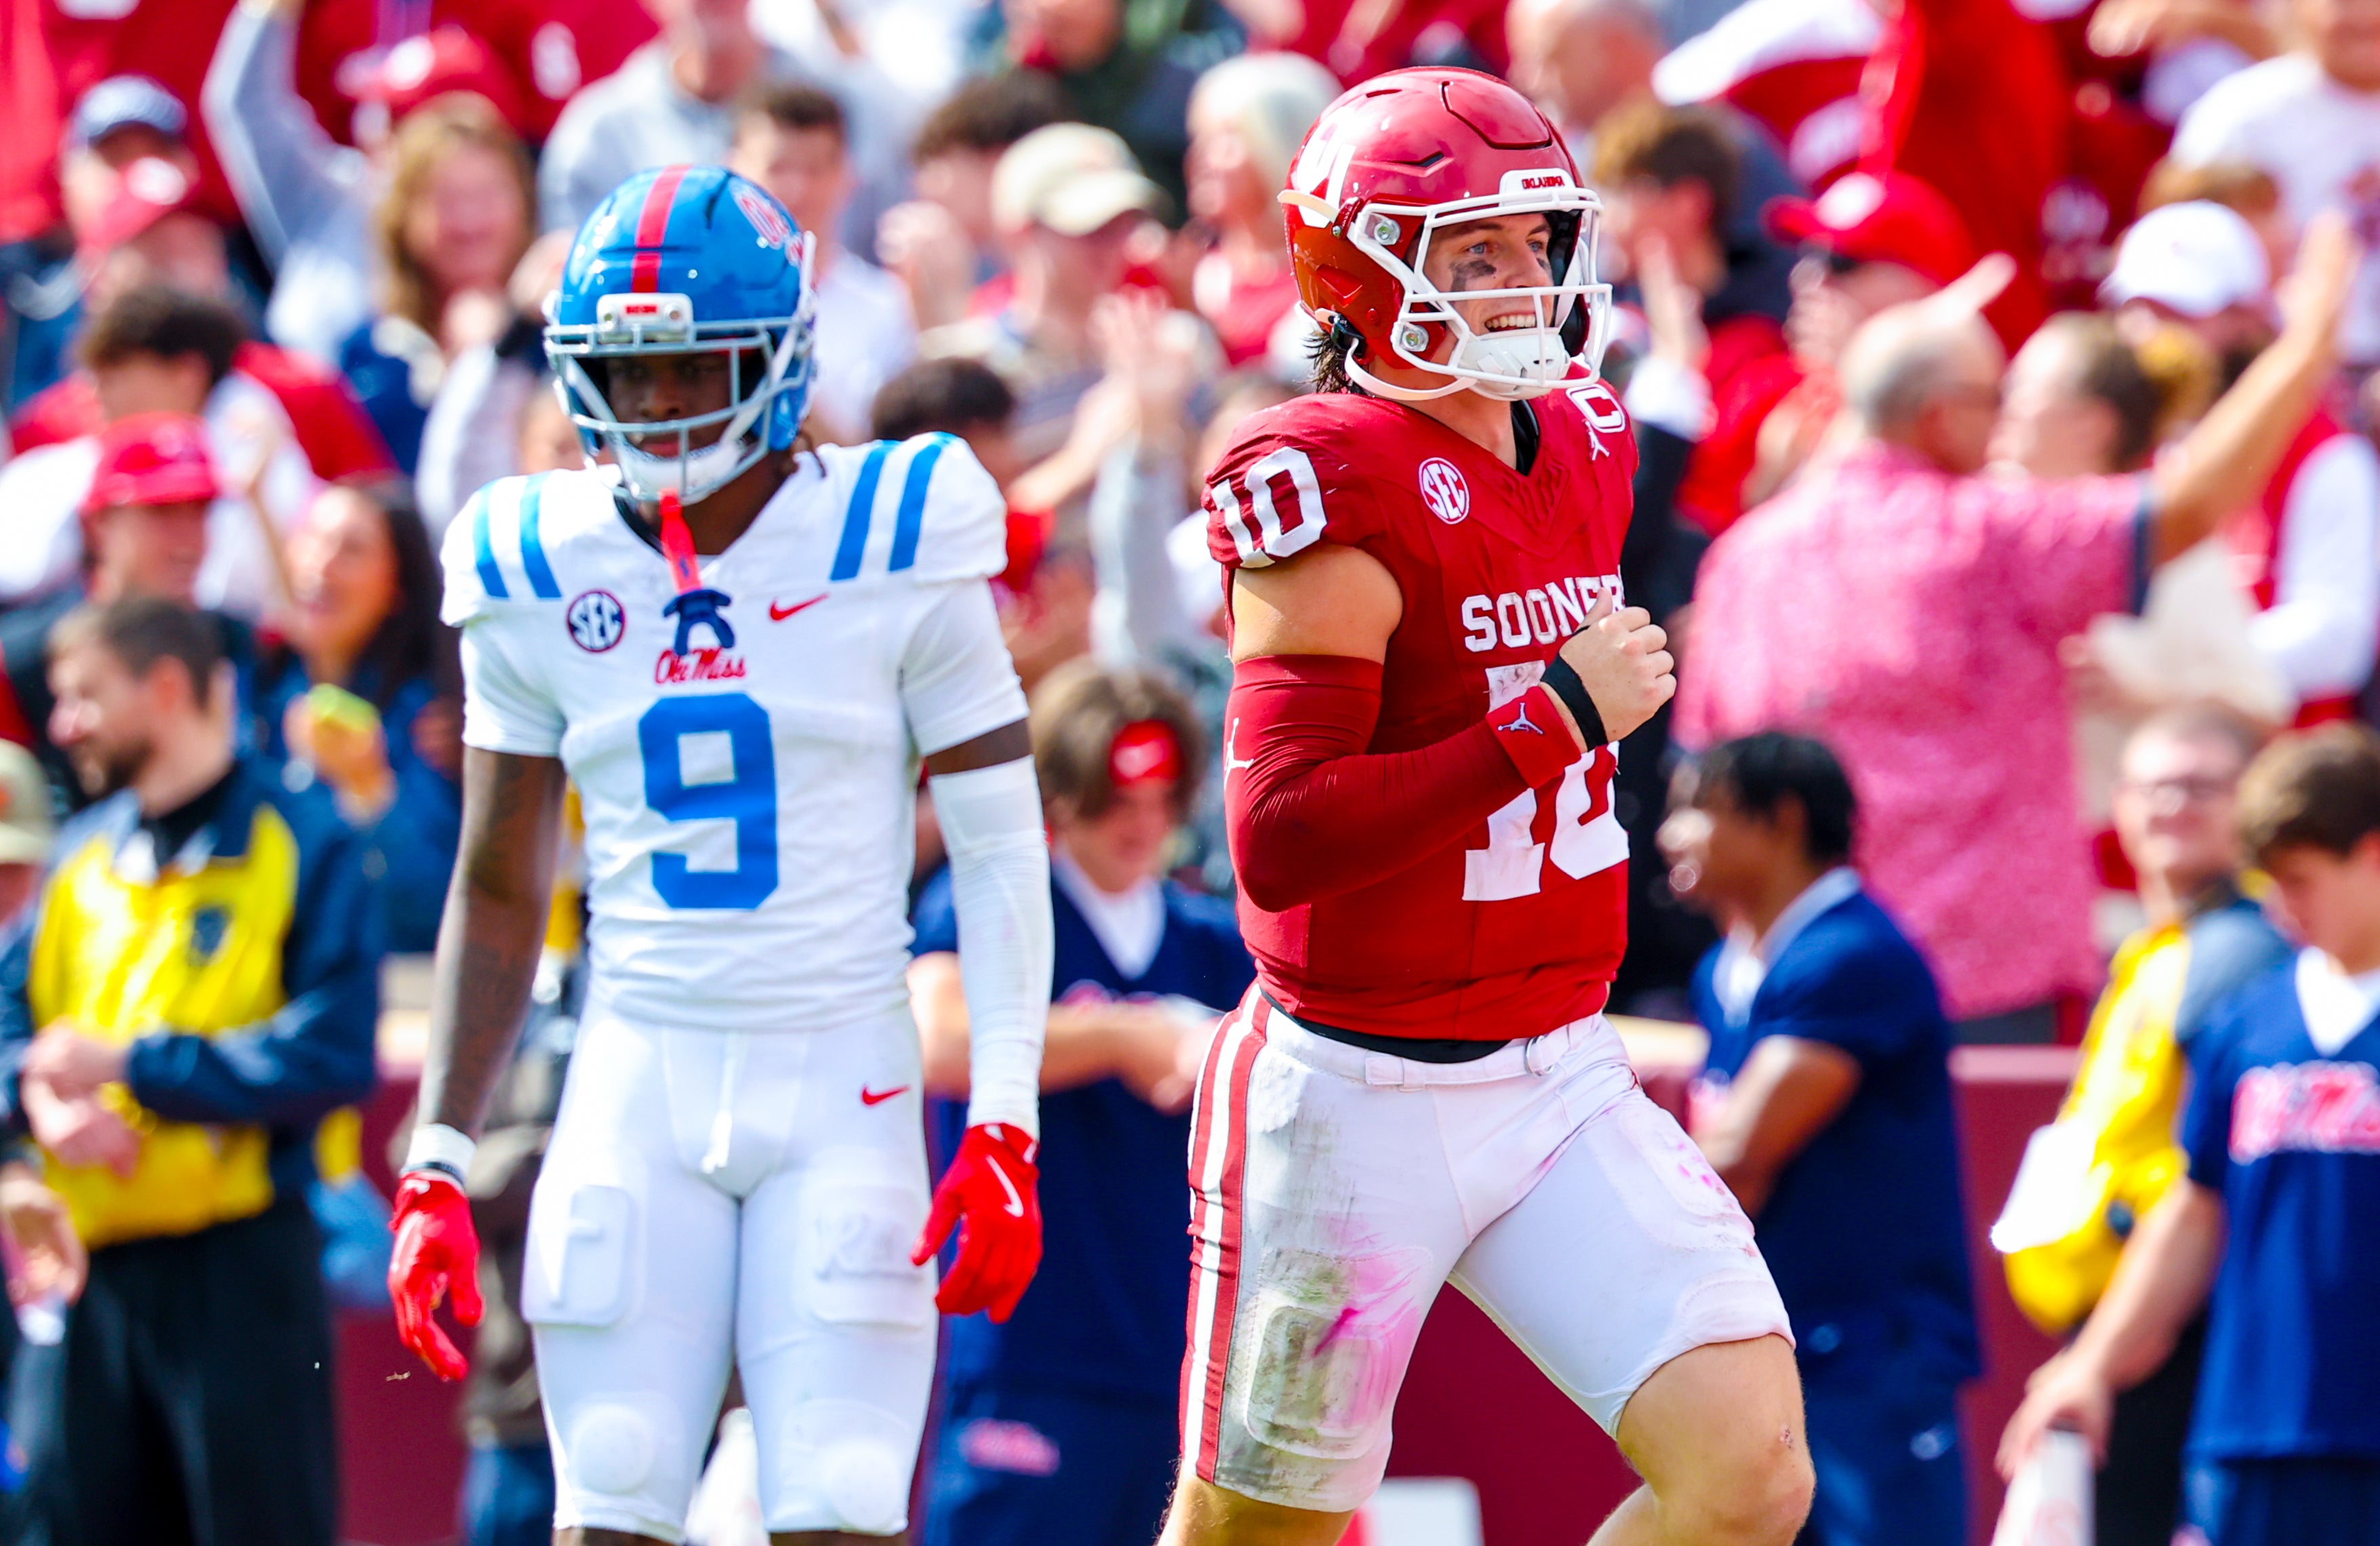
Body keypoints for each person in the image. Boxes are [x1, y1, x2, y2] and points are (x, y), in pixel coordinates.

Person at [1172, 68, 1807, 1546]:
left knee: (1748, 1476)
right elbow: (1283, 835)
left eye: (1533, 242)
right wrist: (1552, 721)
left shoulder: (1587, 433)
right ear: (1362, 274)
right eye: (1473, 254)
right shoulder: (1324, 477)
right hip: (1349, 1087)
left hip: (1552, 1066)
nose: (1521, 281)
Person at [384, 165, 1055, 1544]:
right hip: (635, 1069)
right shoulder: (533, 558)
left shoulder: (896, 526)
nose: (657, 408)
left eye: (694, 366)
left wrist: (1004, 1114)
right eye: (626, 377)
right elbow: (501, 881)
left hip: (843, 1073)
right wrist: (440, 1147)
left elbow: (995, 847)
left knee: (840, 1505)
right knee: (612, 1492)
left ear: (782, 357)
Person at [1677, 220, 2357, 1042]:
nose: (2001, 427)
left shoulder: (1743, 557)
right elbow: (2186, 509)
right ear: (1938, 417)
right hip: (1974, 988)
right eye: (1989, 401)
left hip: (1784, 980)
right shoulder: (1986, 533)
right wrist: (2308, 346)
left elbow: (1700, 772)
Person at [0, 594, 380, 1546]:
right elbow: (14, 1022)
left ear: (164, 688)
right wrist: (37, 1103)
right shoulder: (83, 854)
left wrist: (131, 1067)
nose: (63, 727)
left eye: (84, 696)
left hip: (244, 1273)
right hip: (94, 1279)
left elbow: (330, 1053)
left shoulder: (303, 836)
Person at [2001, 723, 2380, 1546]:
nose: (2281, 905)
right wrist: (2092, 1366)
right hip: (2248, 1427)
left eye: (2301, 880)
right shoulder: (2252, 1020)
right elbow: (2192, 1208)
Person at [914, 662, 1253, 1546]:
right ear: (1061, 797)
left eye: (1159, 798)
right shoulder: (988, 907)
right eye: (1114, 799)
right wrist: (1118, 1037)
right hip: (1029, 1345)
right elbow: (940, 1042)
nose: (1140, 824)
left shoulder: (1209, 941)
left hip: (1180, 1359)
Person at [1660, 732, 1977, 1546]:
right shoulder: (1726, 970)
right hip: (1773, 1356)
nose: (1670, 835)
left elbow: (1734, 1162)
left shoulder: (1850, 956)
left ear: (1782, 820)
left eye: (1697, 811)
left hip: (1867, 1362)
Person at [2100, 200, 2380, 724]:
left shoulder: (2321, 451)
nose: (2144, 333)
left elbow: (2337, 638)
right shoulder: (2106, 442)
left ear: (2246, 320)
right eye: (2131, 308)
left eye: (2176, 313)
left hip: (2274, 768)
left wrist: (2177, 671)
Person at [0, 285, 319, 620]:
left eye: (113, 376)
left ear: (186, 375)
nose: (95, 394)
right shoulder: (81, 458)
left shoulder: (255, 444)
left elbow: (269, 605)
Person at [0, 412, 265, 810]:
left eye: (200, 511)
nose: (188, 540)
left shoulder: (236, 640)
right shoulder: (19, 660)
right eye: (162, 512)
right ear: (98, 525)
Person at [255, 479, 463, 953]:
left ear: (397, 588)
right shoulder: (248, 692)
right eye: (312, 538)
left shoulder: (428, 721)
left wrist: (371, 795)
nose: (321, 564)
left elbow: (432, 910)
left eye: (350, 550)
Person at [921, 123, 1167, 477]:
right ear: (1019, 230)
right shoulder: (961, 368)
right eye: (1089, 227)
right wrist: (1084, 458)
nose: (1112, 245)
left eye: (1124, 224)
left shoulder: (1169, 346)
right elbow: (965, 517)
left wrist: (1161, 421)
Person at [2171, 0, 2380, 367]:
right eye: (2344, 3)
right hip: (2277, 368)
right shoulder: (2238, 118)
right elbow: (2181, 259)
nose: (2366, 16)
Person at [336, 96, 537, 474]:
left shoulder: (556, 339)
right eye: (446, 199)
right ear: (403, 217)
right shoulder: (371, 356)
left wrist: (510, 337)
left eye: (487, 195)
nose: (469, 220)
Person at [729, 84, 916, 444]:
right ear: (733, 170)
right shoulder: (699, 302)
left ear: (847, 176)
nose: (797, 188)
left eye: (814, 169)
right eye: (778, 168)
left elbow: (880, 457)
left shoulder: (890, 307)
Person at [874, 72, 1070, 334]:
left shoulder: (1077, 284)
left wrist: (948, 308)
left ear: (997, 161)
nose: (922, 188)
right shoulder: (992, 298)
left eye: (937, 164)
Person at [1181, 52, 1341, 369]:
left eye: (1224, 141)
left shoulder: (1334, 286)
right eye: (1199, 139)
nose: (1200, 159)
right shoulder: (1197, 276)